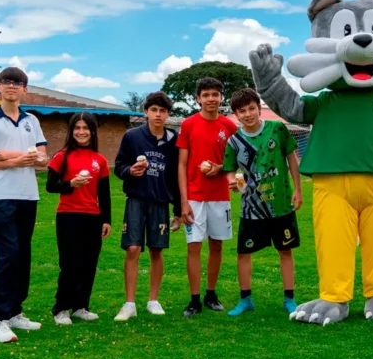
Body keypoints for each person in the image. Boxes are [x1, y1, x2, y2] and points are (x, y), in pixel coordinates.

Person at [0, 67, 49, 343]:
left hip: (28, 195)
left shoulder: (32, 121)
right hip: (1, 195)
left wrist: (14, 157)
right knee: (8, 254)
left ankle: (15, 311)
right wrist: (19, 161)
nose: (11, 87)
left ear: (25, 89)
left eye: (17, 83)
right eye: (6, 82)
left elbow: (43, 159)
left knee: (23, 254)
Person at [222, 88, 303, 316]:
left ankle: (289, 298)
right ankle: (245, 300)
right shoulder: (234, 142)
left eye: (251, 109)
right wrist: (232, 182)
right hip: (251, 208)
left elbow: (292, 159)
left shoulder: (277, 129)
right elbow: (229, 171)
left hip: (281, 204)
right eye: (241, 111)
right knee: (243, 253)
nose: (247, 114)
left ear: (259, 108)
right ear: (236, 115)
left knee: (285, 251)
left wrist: (298, 189)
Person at [113, 92, 181, 321]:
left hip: (160, 202)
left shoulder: (174, 141)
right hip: (136, 199)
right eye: (154, 110)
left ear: (168, 114)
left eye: (163, 111)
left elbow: (175, 177)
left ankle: (153, 300)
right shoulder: (132, 136)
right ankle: (129, 303)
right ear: (146, 112)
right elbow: (119, 166)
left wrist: (179, 210)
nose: (158, 115)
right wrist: (130, 171)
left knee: (156, 249)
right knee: (132, 248)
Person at [177, 77, 238, 316]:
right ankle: (194, 300)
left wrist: (220, 168)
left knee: (216, 246)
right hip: (193, 197)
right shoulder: (189, 125)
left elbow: (235, 162)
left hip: (220, 196)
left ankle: (211, 294)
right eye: (206, 95)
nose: (211, 99)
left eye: (215, 94)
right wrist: (183, 201)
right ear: (198, 99)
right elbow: (181, 165)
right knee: (193, 247)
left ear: (221, 98)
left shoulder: (229, 126)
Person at [46, 112, 111, 324]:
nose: (81, 132)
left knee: (89, 263)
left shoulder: (99, 160)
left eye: (85, 128)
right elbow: (50, 186)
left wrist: (106, 220)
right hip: (68, 216)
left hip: (92, 217)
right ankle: (61, 308)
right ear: (71, 130)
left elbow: (104, 194)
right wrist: (70, 184)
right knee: (70, 264)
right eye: (77, 128)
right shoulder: (61, 156)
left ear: (93, 131)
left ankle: (81, 306)